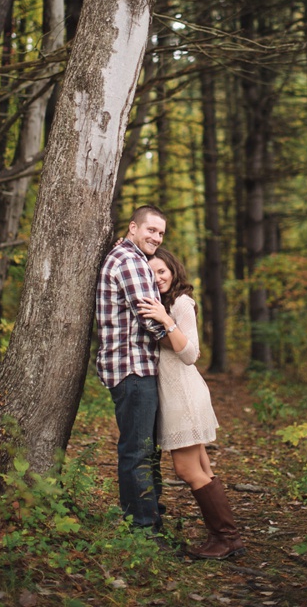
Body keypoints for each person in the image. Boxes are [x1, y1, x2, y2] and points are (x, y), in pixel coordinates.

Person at [138, 248, 245, 560]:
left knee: (186, 469)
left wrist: (165, 320)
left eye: (162, 271)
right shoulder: (158, 302)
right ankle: (226, 537)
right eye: (151, 272)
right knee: (202, 468)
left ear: (173, 270)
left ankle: (227, 538)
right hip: (176, 395)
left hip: (183, 395)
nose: (157, 278)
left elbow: (191, 354)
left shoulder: (181, 304)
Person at [95, 205, 169, 536]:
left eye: (161, 233)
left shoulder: (128, 257)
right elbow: (151, 320)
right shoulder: (129, 260)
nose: (156, 237)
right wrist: (178, 335)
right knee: (138, 453)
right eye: (151, 230)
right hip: (133, 369)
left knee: (144, 451)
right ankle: (143, 531)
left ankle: (150, 520)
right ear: (133, 228)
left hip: (134, 369)